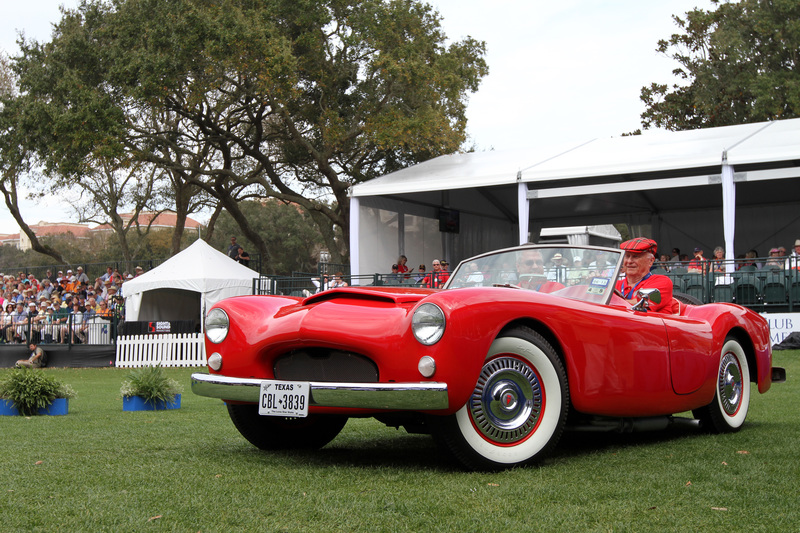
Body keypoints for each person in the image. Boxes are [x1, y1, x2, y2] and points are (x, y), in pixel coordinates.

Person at [615, 238, 678, 314]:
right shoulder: (615, 285)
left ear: (650, 261)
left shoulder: (662, 282)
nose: (629, 261)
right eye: (627, 256)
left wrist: (612, 302)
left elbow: (640, 304)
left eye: (635, 257)